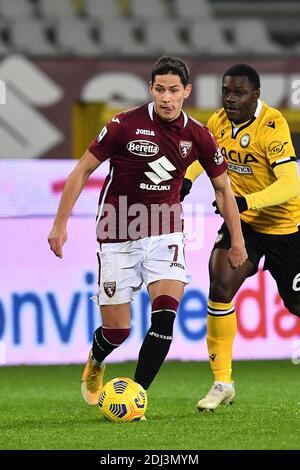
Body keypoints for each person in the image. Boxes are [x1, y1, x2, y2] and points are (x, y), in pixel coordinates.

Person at [48, 56, 247, 410]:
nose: (166, 98)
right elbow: (81, 170)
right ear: (150, 89)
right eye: (160, 90)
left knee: (166, 313)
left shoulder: (198, 135)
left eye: (174, 90)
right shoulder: (123, 125)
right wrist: (60, 224)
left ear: (186, 91)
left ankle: (136, 395)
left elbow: (223, 190)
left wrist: (238, 241)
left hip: (165, 231)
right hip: (117, 230)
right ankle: (97, 357)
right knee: (117, 331)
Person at [180, 63, 300, 411]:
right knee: (220, 283)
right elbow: (204, 156)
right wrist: (187, 180)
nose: (231, 99)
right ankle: (222, 382)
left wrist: (246, 200)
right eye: (227, 92)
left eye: (239, 93)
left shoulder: (272, 125)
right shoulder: (218, 121)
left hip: (286, 229)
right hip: (244, 225)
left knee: (295, 305)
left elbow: (292, 184)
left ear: (256, 95)